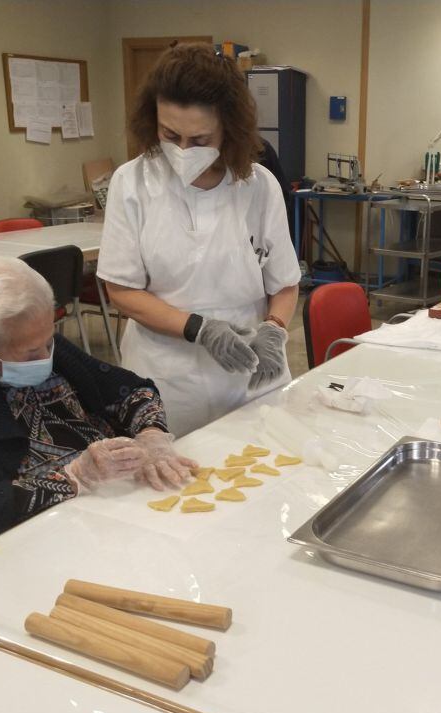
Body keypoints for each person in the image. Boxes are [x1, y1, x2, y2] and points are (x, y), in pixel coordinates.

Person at [0, 257, 195, 569]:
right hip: (30, 549)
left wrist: (151, 435)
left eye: (48, 340)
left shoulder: (42, 342)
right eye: (29, 352)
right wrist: (75, 476)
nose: (46, 356)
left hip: (109, 512)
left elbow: (132, 391)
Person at [97, 43, 300, 437]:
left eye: (201, 139)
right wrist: (201, 329)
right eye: (169, 134)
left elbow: (285, 283)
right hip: (169, 378)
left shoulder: (259, 187)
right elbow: (121, 290)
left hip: (249, 373)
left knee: (261, 475)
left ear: (230, 130)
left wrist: (274, 329)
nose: (183, 151)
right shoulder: (131, 183)